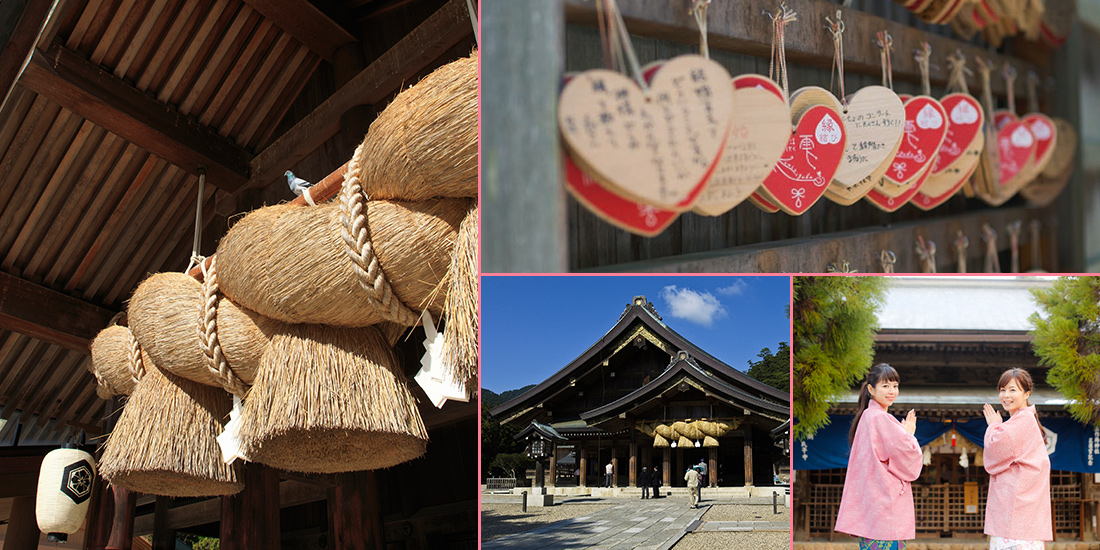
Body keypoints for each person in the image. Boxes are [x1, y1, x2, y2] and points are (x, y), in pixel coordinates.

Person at [835, 363, 923, 550]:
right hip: (885, 506)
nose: (892, 391)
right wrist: (909, 434)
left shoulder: (867, 416)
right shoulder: (880, 418)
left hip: (873, 505)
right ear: (871, 389)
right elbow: (908, 458)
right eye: (885, 386)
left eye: (895, 386)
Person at [982, 368, 1052, 550]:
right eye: (1002, 390)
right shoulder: (1023, 419)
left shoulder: (1023, 420)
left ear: (1027, 393)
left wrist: (994, 426)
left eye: (1013, 390)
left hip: (1018, 511)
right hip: (1020, 510)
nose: (1006, 395)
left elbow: (997, 446)